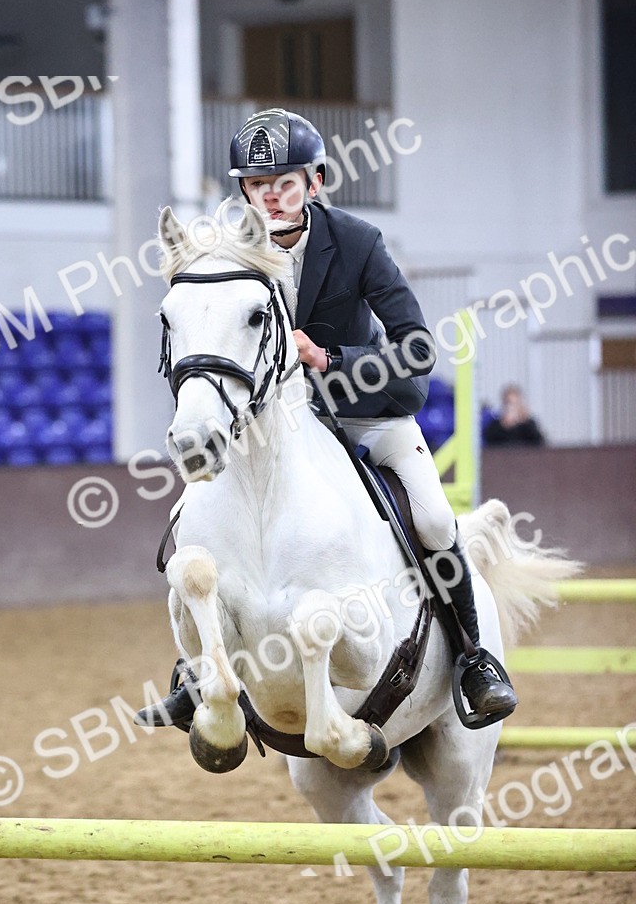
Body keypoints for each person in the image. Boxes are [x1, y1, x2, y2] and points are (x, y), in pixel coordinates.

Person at [142, 108, 517, 728]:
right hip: (270, 425)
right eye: (257, 184)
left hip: (361, 412)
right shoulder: (229, 254)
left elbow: (418, 348)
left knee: (429, 512)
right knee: (193, 514)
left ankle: (475, 660)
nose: (271, 195)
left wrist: (327, 356)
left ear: (314, 182)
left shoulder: (357, 242)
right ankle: (196, 671)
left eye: (284, 182)